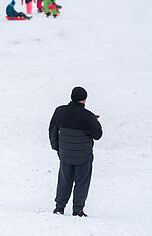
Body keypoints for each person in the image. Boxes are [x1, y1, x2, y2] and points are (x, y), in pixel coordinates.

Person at [50, 86, 102, 217]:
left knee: (64, 181)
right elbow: (98, 135)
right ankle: (78, 210)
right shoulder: (88, 116)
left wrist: (58, 148)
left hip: (65, 155)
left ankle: (59, 207)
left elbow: (52, 130)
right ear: (84, 99)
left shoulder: (60, 111)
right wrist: (95, 122)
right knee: (82, 182)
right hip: (83, 156)